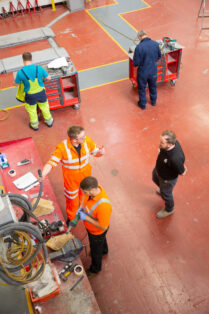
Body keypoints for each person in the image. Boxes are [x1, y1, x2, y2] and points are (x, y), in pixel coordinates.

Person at [42, 125, 105, 221]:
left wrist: (101, 153)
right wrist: (43, 174)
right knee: (72, 200)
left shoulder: (87, 141)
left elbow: (95, 152)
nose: (85, 138)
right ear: (74, 140)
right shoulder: (62, 148)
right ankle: (72, 217)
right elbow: (51, 162)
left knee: (85, 195)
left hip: (86, 176)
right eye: (82, 137)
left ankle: (82, 210)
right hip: (71, 180)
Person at [77, 176, 112, 275]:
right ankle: (104, 250)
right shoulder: (93, 191)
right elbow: (84, 198)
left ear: (92, 190)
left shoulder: (103, 206)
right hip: (92, 229)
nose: (83, 194)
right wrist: (81, 207)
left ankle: (95, 268)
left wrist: (85, 218)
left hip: (96, 232)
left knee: (95, 251)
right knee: (102, 241)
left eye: (85, 192)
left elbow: (103, 227)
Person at [152, 130, 187, 218]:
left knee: (166, 194)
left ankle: (169, 209)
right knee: (154, 178)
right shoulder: (168, 146)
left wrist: (181, 166)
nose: (159, 144)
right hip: (159, 171)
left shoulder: (175, 158)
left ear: (170, 144)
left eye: (162, 142)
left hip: (167, 180)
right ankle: (162, 189)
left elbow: (182, 172)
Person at [15, 51, 53, 130]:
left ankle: (34, 125)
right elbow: (48, 78)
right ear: (31, 59)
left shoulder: (20, 72)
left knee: (32, 110)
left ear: (23, 60)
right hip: (41, 93)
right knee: (45, 107)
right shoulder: (39, 68)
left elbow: (16, 83)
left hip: (30, 95)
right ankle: (49, 122)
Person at [133, 30, 161, 110]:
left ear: (139, 37)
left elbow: (136, 63)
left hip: (143, 72)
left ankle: (142, 105)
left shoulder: (139, 47)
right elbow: (159, 56)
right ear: (146, 35)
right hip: (153, 70)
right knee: (153, 86)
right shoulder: (155, 44)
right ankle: (153, 101)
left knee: (142, 88)